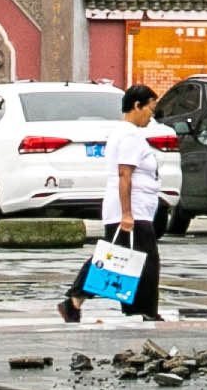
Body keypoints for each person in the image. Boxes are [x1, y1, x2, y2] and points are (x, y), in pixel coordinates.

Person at [62, 82, 167, 325]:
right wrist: (127, 213)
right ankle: (146, 311)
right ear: (137, 105)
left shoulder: (126, 133)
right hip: (131, 210)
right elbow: (124, 175)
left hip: (130, 208)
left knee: (113, 258)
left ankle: (75, 302)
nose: (151, 116)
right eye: (150, 109)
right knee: (144, 261)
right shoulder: (129, 134)